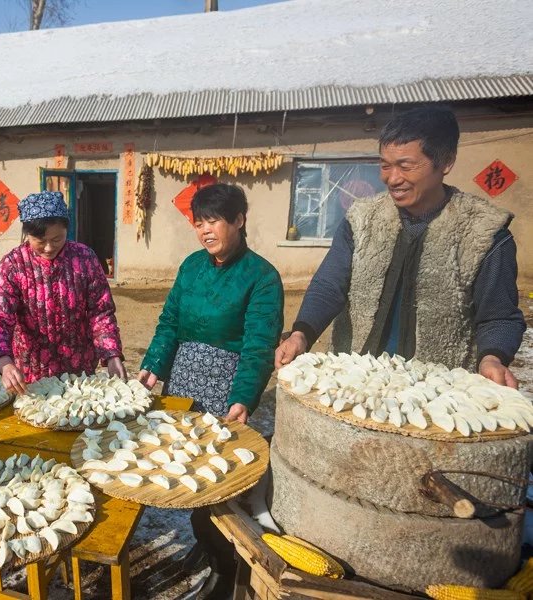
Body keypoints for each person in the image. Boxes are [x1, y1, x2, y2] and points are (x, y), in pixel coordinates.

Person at [275, 106, 525, 386]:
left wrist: (492, 357)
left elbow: (499, 316)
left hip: (436, 392)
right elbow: (329, 285)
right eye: (384, 165)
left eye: (406, 166)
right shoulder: (362, 220)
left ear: (445, 162)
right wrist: (301, 333)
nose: (392, 178)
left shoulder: (484, 233)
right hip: (357, 380)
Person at [137, 183, 283, 600]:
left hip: (225, 389)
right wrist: (153, 366)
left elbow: (258, 345)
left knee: (215, 484)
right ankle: (206, 548)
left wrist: (244, 398)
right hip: (183, 384)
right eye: (198, 222)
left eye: (214, 220)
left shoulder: (262, 277)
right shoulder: (192, 267)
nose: (204, 231)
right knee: (184, 470)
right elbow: (169, 322)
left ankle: (224, 568)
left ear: (238, 220)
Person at [0, 191, 125, 393]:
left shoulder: (84, 259)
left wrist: (112, 355)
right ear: (27, 234)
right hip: (30, 374)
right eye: (39, 241)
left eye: (57, 239)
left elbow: (101, 313)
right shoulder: (13, 265)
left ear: (67, 229)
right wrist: (4, 362)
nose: (49, 248)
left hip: (80, 372)